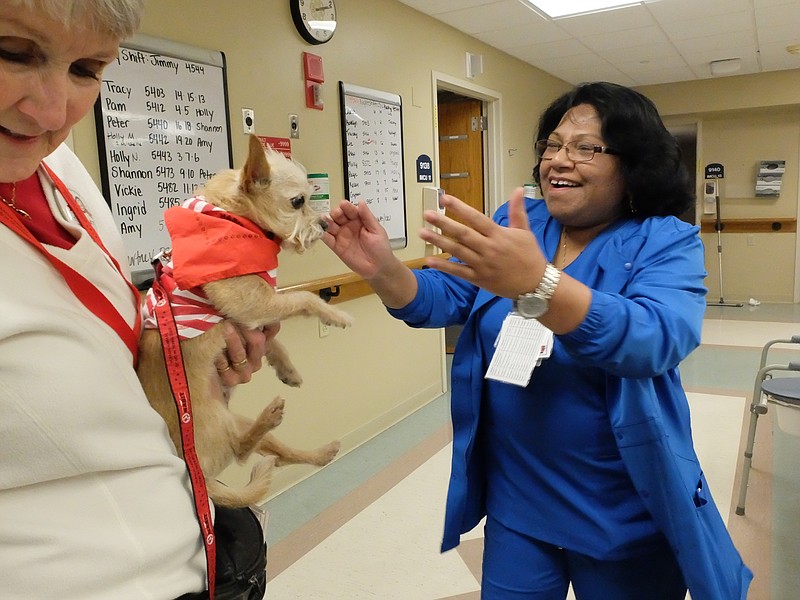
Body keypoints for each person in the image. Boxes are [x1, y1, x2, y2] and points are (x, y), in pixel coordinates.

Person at [324, 82, 752, 599]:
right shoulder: (520, 225)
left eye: (586, 147)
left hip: (623, 510)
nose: (559, 160)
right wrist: (384, 269)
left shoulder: (664, 238)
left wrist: (539, 284)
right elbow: (449, 297)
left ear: (633, 162)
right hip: (519, 502)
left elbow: (656, 338)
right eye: (552, 145)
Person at [0, 2, 275, 598]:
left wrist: (196, 361)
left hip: (191, 556)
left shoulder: (58, 169)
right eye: (13, 53)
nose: (52, 111)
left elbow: (106, 351)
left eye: (87, 68)